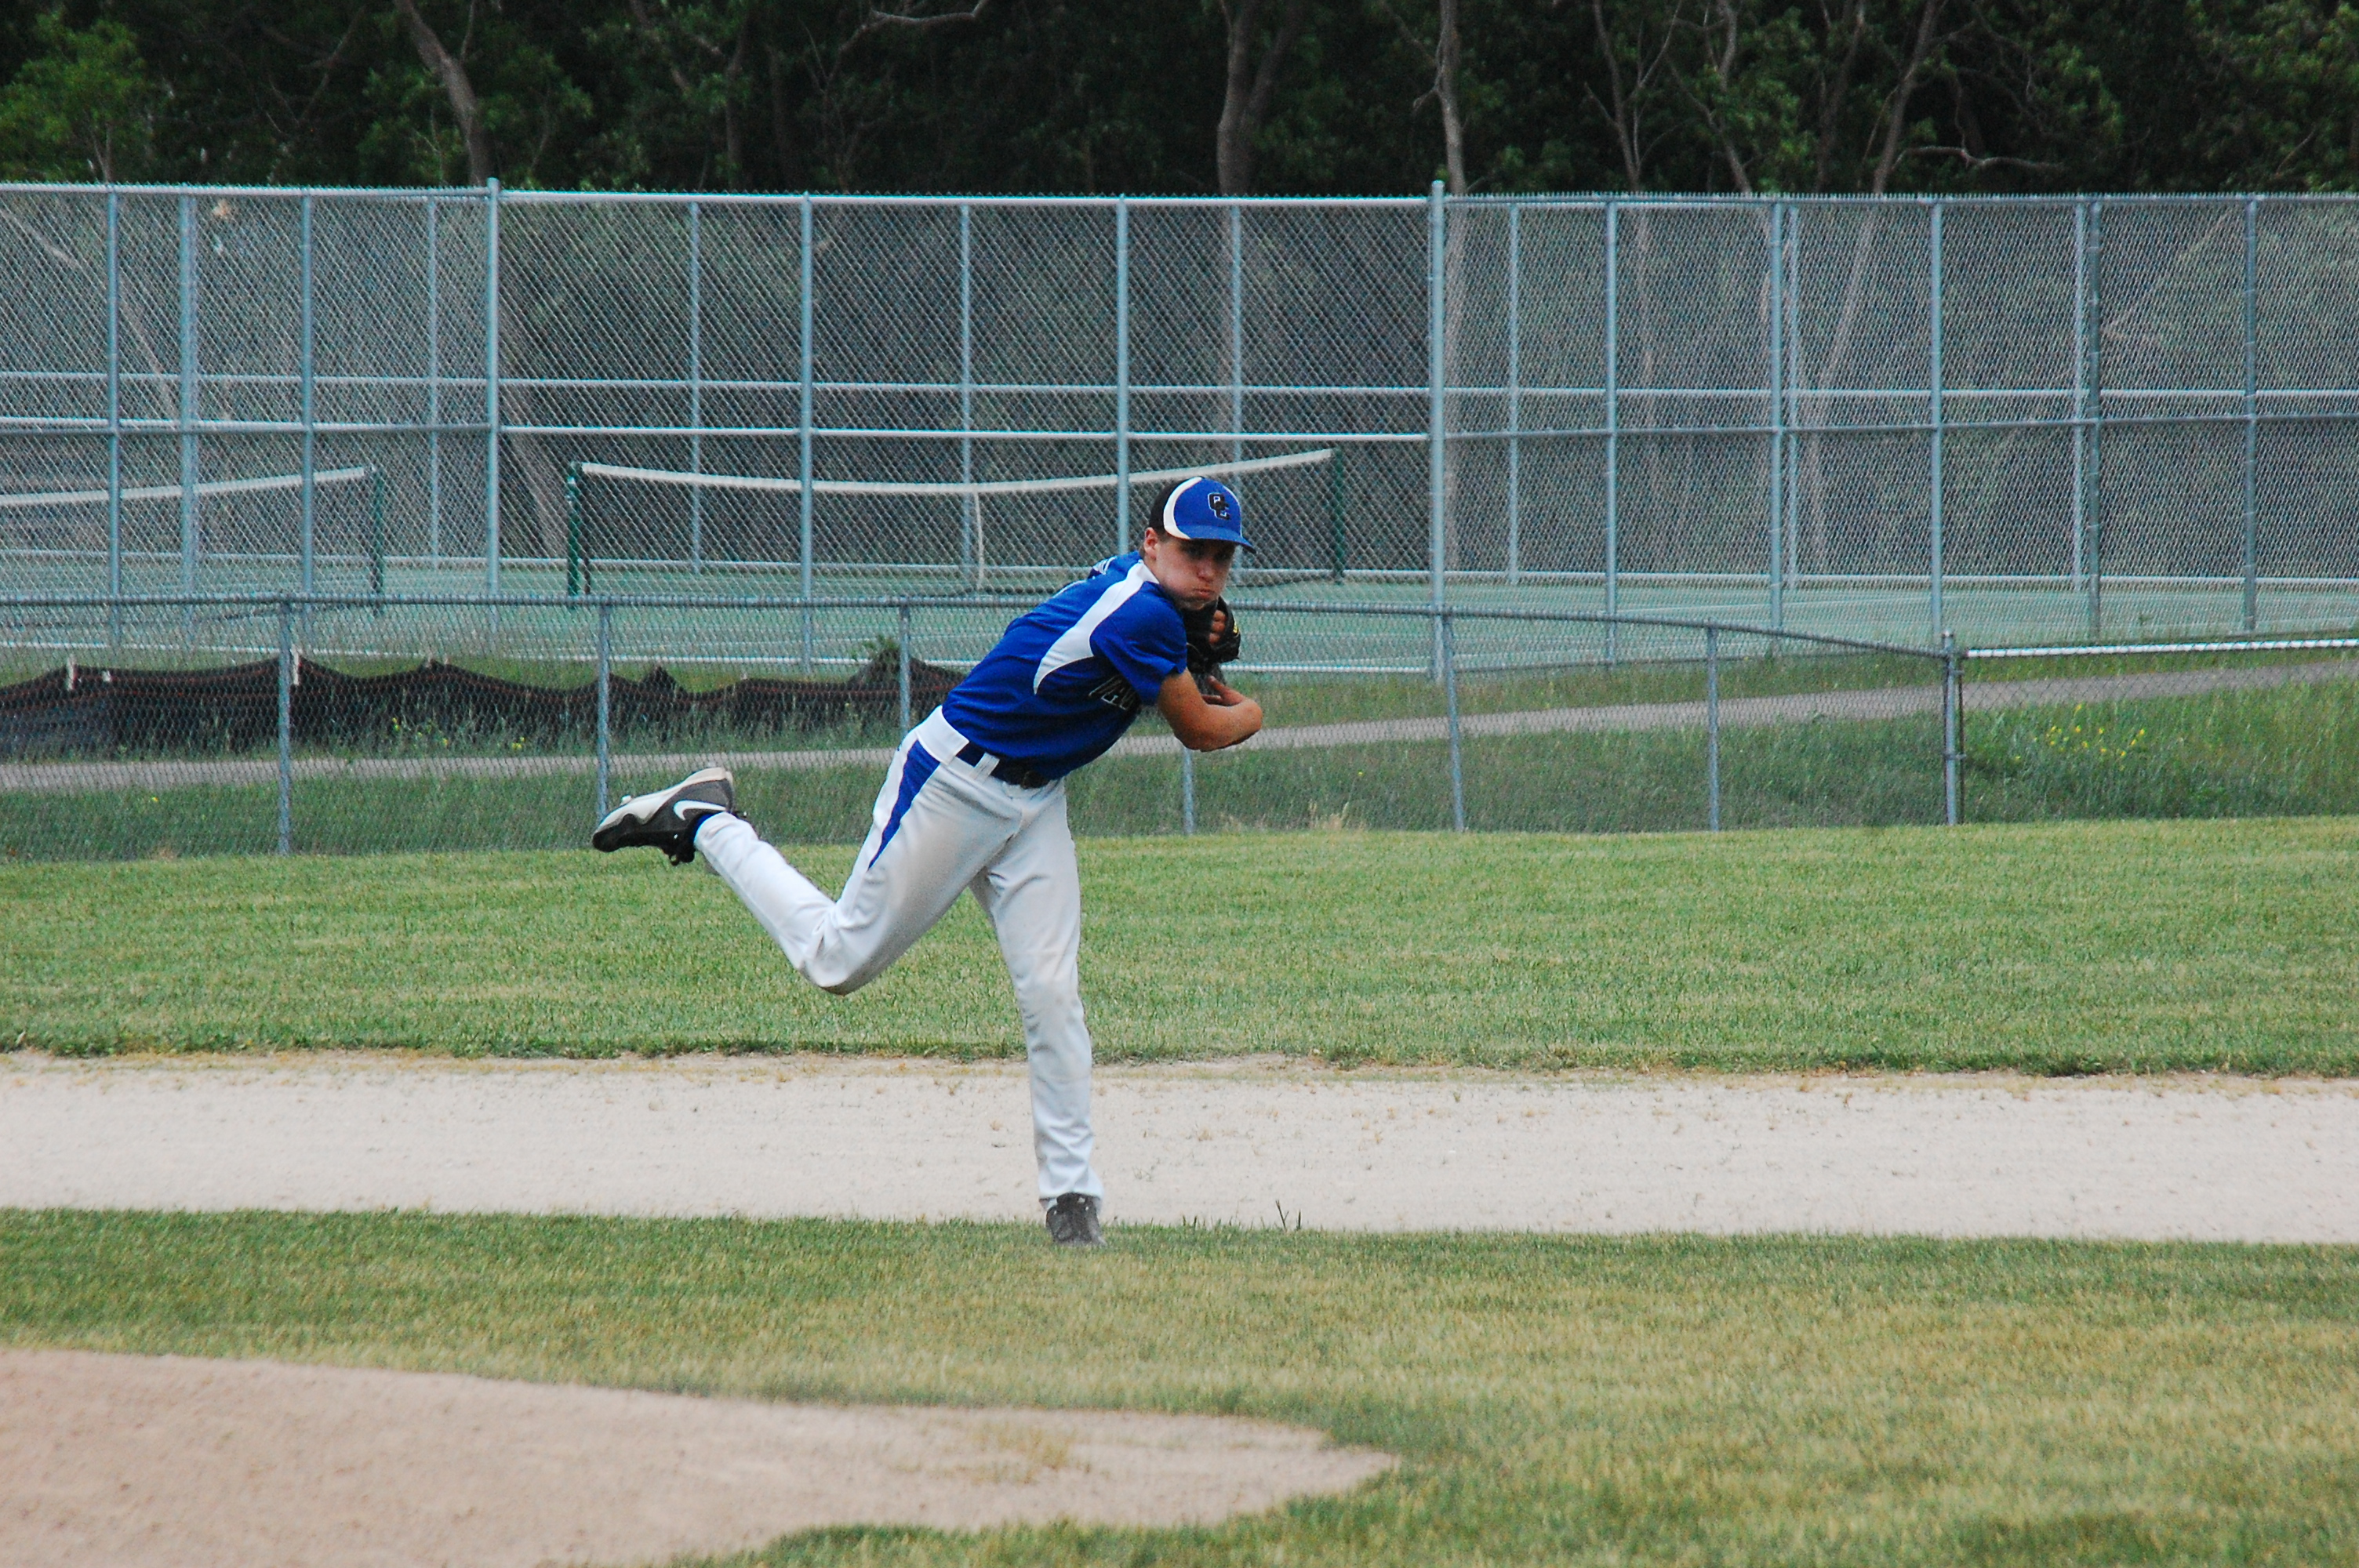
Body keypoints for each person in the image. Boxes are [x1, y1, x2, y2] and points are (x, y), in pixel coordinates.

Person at [591, 477, 1263, 1247]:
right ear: (1151, 544)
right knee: (835, 960)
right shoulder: (1144, 613)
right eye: (1191, 549)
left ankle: (1072, 1198)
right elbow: (1200, 730)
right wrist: (1249, 709)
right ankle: (708, 819)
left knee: (1051, 992)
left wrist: (1193, 647)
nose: (1207, 569)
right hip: (953, 785)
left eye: (1221, 557)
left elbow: (1150, 648)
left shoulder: (1140, 593)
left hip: (1036, 801)